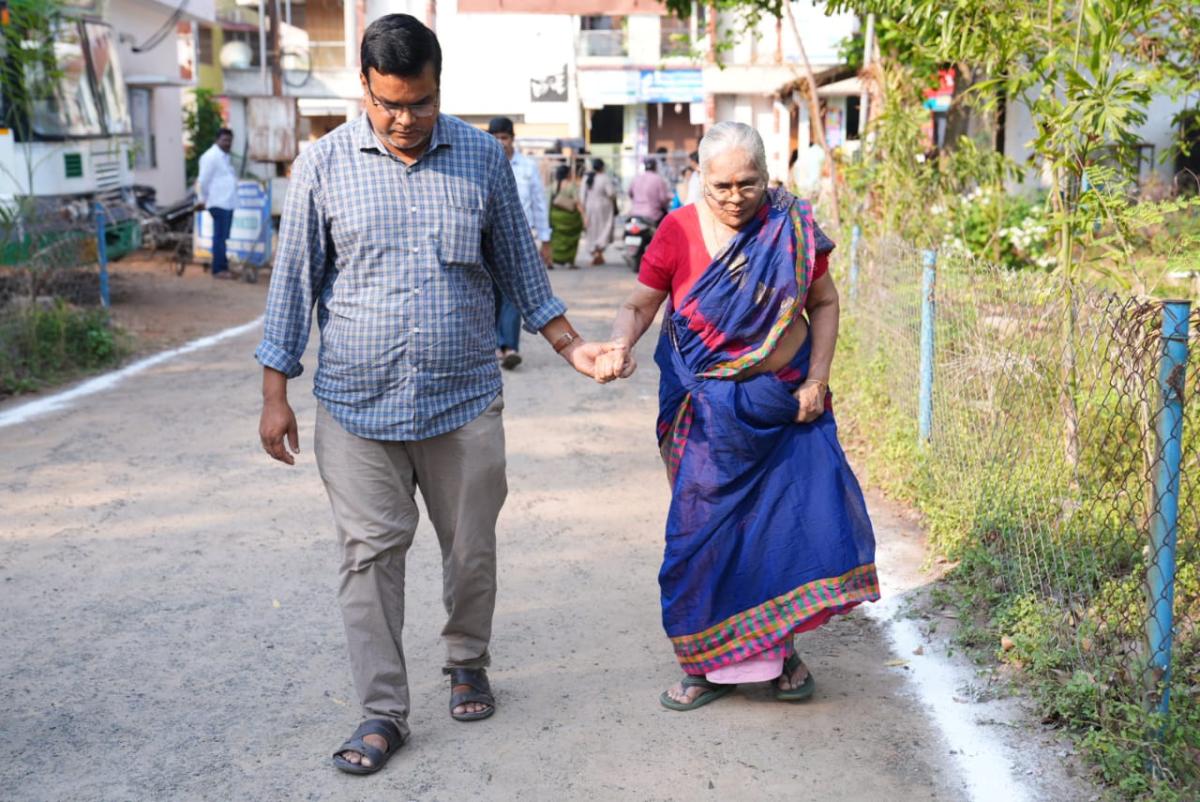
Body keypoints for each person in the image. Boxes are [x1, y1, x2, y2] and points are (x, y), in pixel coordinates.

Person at [255, 14, 615, 777]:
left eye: (419, 102)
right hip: (356, 406)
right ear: (365, 88)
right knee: (368, 557)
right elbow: (292, 287)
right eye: (389, 104)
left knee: (470, 549)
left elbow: (522, 270)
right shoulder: (321, 165)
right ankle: (382, 711)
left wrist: (571, 346)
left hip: (463, 402)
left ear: (438, 87)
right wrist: (274, 391)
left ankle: (466, 658)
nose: (405, 119)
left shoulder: (481, 158)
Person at [593, 121, 879, 711]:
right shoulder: (676, 231)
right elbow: (640, 303)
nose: (733, 197)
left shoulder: (790, 227)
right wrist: (620, 343)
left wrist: (818, 379)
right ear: (700, 178)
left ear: (766, 177)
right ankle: (701, 665)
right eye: (719, 185)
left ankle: (781, 653)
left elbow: (823, 302)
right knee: (701, 537)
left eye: (746, 184)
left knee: (785, 530)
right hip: (707, 416)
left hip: (781, 408)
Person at [486, 116, 552, 370]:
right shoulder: (484, 163)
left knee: (513, 296)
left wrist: (545, 239)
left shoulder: (527, 167)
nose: (500, 143)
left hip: (517, 241)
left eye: (504, 138)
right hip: (487, 241)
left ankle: (510, 346)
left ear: (512, 139)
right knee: (491, 296)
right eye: (496, 137)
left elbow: (538, 202)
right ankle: (494, 346)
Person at [195, 127, 238, 280]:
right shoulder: (210, 156)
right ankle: (218, 269)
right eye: (224, 140)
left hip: (228, 202)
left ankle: (223, 266)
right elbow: (202, 181)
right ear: (217, 140)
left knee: (223, 237)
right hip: (217, 202)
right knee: (219, 237)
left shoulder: (224, 157)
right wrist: (202, 199)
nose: (227, 144)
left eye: (230, 141)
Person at [548, 164, 586, 269]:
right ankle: (570, 262)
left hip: (556, 217)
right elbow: (577, 203)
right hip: (570, 219)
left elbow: (548, 202)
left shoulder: (552, 186)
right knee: (572, 240)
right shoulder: (571, 186)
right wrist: (584, 216)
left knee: (555, 240)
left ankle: (552, 260)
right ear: (568, 174)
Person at [581, 158, 615, 266]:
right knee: (604, 229)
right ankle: (598, 252)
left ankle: (597, 254)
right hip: (604, 207)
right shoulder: (604, 178)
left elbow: (582, 196)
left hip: (589, 207)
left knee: (592, 231)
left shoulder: (586, 178)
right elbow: (611, 193)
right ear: (602, 167)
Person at [627, 157, 671, 226]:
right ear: (655, 167)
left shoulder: (636, 178)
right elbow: (663, 198)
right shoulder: (658, 179)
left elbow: (630, 193)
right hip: (653, 214)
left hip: (635, 212)